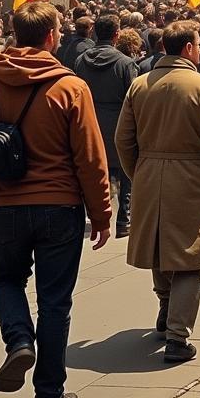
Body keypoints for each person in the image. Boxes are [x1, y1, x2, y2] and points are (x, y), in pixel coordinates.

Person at [0, 1, 111, 398]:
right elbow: (89, 156)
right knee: (55, 302)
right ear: (52, 36)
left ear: (13, 33)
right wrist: (102, 213)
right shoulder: (70, 87)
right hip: (59, 206)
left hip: (4, 204)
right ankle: (49, 396)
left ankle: (18, 340)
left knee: (4, 281)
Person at [115, 21, 200, 363]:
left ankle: (165, 307)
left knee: (159, 245)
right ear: (187, 49)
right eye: (199, 45)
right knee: (188, 256)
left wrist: (138, 170)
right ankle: (177, 336)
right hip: (193, 176)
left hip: (149, 174)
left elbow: (123, 139)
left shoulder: (139, 86)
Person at [75, 13, 139, 238]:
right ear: (116, 35)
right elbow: (133, 98)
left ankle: (91, 213)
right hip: (118, 123)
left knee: (91, 170)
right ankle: (124, 220)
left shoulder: (81, 60)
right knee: (125, 173)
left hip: (89, 122)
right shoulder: (125, 63)